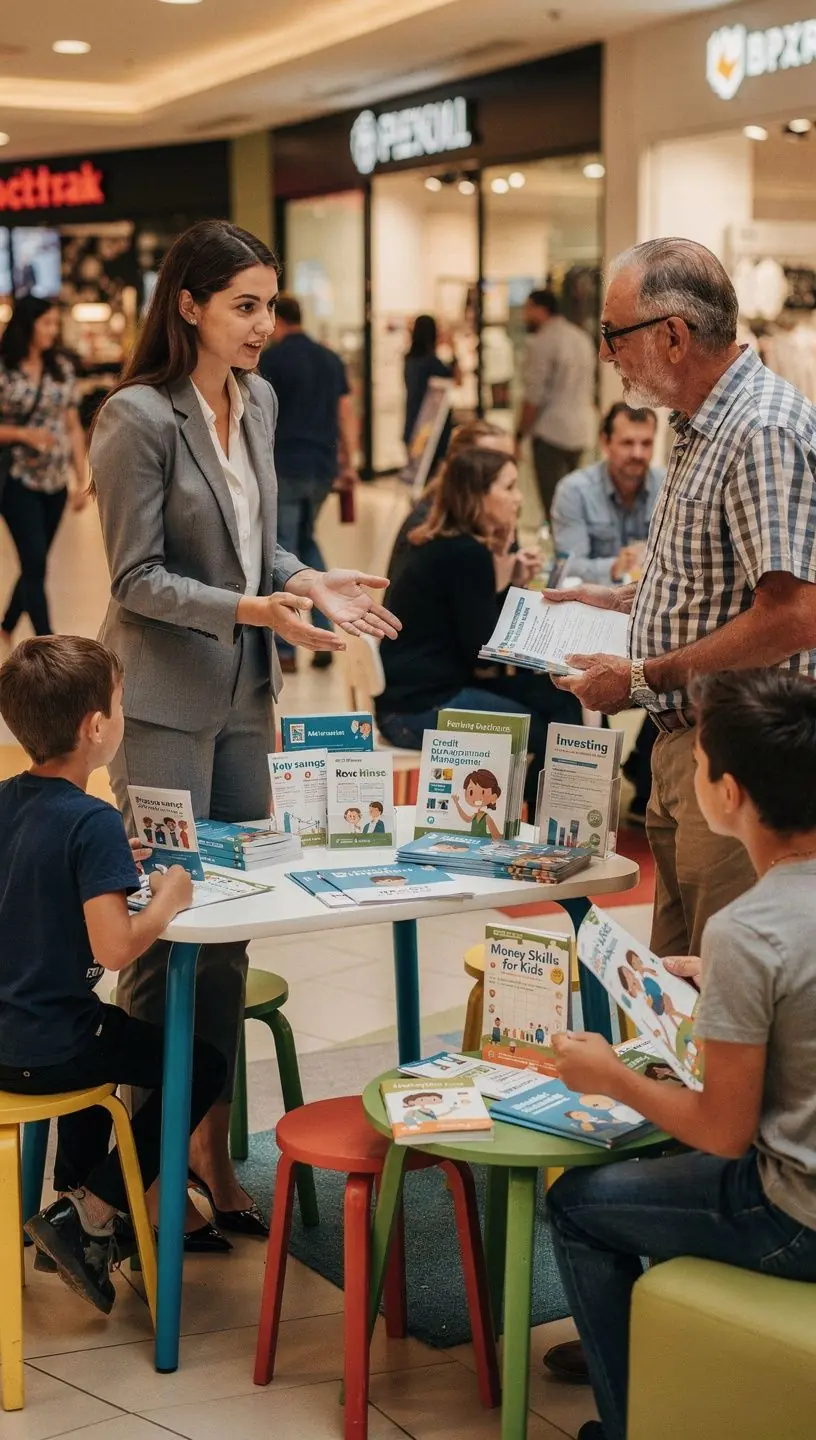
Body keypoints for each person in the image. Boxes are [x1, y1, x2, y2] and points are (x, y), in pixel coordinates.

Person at [89, 219, 399, 1242]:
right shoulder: (137, 416)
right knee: (166, 934)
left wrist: (304, 576)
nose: (264, 325)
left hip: (245, 702)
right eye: (245, 306)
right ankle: (135, 1177)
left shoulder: (256, 400)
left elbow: (255, 534)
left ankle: (211, 1152)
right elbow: (136, 578)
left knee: (231, 934)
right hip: (167, 702)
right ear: (190, 304)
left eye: (269, 304)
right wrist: (256, 608)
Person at [548, 668, 816, 1440]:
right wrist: (717, 984)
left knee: (577, 1207)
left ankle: (635, 1420)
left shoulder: (749, 929)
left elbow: (725, 1132)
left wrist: (610, 1077)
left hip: (800, 1215)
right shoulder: (752, 936)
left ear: (727, 793)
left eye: (698, 763)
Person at [548, 237, 816, 959]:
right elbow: (714, 582)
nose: (607, 354)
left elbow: (794, 616)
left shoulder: (760, 428)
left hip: (738, 752)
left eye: (614, 334)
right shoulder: (701, 425)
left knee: (723, 987)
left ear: (672, 335)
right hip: (686, 746)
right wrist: (617, 600)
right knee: (675, 981)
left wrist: (642, 676)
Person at [0, 636, 226, 1312]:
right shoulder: (92, 819)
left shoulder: (8, 799)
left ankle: (72, 1197)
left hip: (4, 1041)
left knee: (109, 1033)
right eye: (121, 706)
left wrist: (98, 870)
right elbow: (119, 948)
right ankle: (95, 1209)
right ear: (95, 728)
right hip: (54, 1048)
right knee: (200, 1063)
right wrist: (168, 899)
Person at [377, 445, 581, 809]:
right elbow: (485, 649)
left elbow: (473, 631)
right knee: (551, 729)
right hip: (419, 710)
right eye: (509, 487)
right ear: (478, 495)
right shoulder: (466, 553)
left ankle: (549, 812)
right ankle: (542, 822)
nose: (518, 499)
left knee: (559, 698)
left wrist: (507, 580)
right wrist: (510, 584)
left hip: (413, 695)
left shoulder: (443, 542)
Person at [550, 402, 663, 823]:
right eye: (627, 442)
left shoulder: (667, 484)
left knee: (687, 679)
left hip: (647, 627)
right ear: (605, 442)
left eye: (646, 443)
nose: (637, 453)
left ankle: (641, 773)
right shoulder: (575, 491)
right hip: (593, 628)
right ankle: (585, 794)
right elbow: (568, 567)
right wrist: (616, 568)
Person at [258, 293, 358, 674]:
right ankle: (324, 631)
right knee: (307, 540)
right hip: (322, 466)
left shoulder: (274, 359)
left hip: (284, 465)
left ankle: (287, 648)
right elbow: (344, 411)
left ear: (278, 320)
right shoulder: (329, 358)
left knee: (283, 550)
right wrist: (349, 461)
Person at [0, 296, 89, 640]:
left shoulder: (60, 368)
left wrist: (81, 476)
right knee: (35, 563)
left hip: (55, 481)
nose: (54, 330)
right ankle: (48, 643)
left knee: (34, 563)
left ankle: (7, 624)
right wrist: (23, 433)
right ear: (28, 325)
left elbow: (71, 426)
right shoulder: (6, 369)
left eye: (56, 323)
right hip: (17, 479)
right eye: (47, 323)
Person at [387, 418, 539, 591]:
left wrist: (515, 578)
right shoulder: (434, 524)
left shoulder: (495, 509)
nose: (504, 467)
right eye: (488, 460)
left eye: (508, 459)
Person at [515, 288, 596, 520]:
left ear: (541, 309)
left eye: (527, 309)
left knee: (556, 509)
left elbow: (533, 397)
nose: (524, 316)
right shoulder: (580, 337)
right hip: (580, 433)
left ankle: (563, 554)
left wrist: (519, 436)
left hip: (551, 434)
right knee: (574, 505)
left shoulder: (543, 341)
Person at [403, 314, 459, 467]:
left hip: (414, 421)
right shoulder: (432, 364)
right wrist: (453, 349)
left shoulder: (410, 360)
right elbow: (457, 379)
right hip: (432, 426)